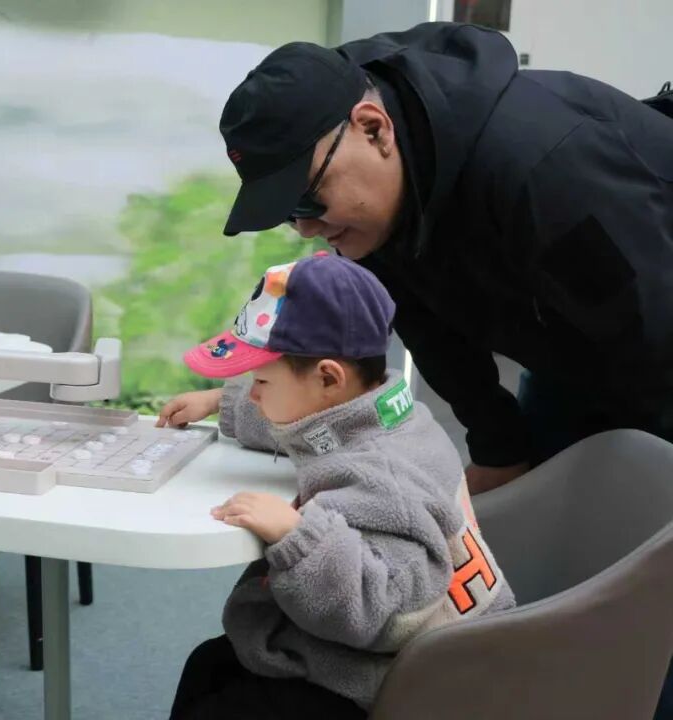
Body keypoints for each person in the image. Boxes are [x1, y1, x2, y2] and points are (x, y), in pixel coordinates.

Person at [214, 22, 673, 497]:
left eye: (308, 200)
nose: (307, 228)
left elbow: (658, 345)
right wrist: (500, 451)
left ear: (374, 128)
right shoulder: (375, 210)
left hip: (652, 323)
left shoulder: (545, 169)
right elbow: (428, 327)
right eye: (287, 214)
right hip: (571, 343)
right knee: (533, 519)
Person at [157, 253, 515, 720]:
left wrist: (297, 537)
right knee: (209, 664)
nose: (255, 392)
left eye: (261, 379)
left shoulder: (383, 480)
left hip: (412, 679)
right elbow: (304, 424)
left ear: (328, 376)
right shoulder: (383, 412)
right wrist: (217, 402)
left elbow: (380, 612)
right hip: (410, 647)